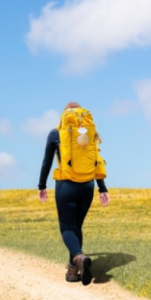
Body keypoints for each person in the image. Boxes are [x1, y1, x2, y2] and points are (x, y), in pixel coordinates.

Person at [37, 102, 109, 285]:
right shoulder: (90, 132)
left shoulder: (56, 133)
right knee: (77, 227)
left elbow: (47, 162)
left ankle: (78, 257)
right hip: (88, 185)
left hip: (66, 185)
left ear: (64, 116)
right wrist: (102, 188)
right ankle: (72, 270)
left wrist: (42, 185)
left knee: (67, 228)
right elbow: (96, 160)